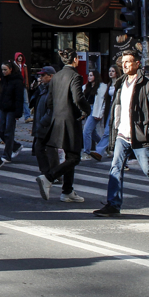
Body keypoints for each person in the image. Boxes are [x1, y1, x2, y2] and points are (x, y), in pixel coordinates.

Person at [94, 50, 149, 218]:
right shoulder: (121, 81)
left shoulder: (147, 82)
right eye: (123, 62)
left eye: (128, 62)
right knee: (115, 168)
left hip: (140, 135)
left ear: (137, 63)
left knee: (148, 170)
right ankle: (113, 204)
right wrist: (114, 129)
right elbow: (118, 108)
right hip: (122, 134)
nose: (124, 65)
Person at [36, 50, 88, 203]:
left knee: (69, 155)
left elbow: (50, 101)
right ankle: (49, 178)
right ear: (75, 59)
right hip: (71, 119)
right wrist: (86, 110)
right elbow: (78, 97)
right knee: (74, 157)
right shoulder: (75, 76)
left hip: (56, 119)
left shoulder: (56, 76)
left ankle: (67, 190)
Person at [0, 62, 25, 162]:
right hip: (4, 107)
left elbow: (19, 98)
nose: (3, 72)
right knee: (0, 130)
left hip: (12, 109)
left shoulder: (17, 81)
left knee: (8, 132)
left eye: (5, 70)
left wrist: (18, 112)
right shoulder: (4, 80)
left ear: (10, 69)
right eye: (2, 70)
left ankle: (7, 154)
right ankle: (15, 146)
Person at [81, 69, 108, 161]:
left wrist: (101, 113)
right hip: (87, 110)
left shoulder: (102, 86)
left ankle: (87, 152)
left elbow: (104, 102)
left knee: (86, 131)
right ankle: (105, 147)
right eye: (89, 75)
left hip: (95, 110)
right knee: (92, 133)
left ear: (96, 76)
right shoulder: (86, 87)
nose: (89, 77)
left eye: (91, 75)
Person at [14, 51, 31, 121]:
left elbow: (26, 76)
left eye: (21, 56)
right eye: (19, 56)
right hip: (16, 85)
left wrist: (27, 84)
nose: (20, 58)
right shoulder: (14, 65)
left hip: (23, 85)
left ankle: (27, 116)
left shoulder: (24, 66)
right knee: (16, 100)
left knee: (26, 100)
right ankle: (15, 115)